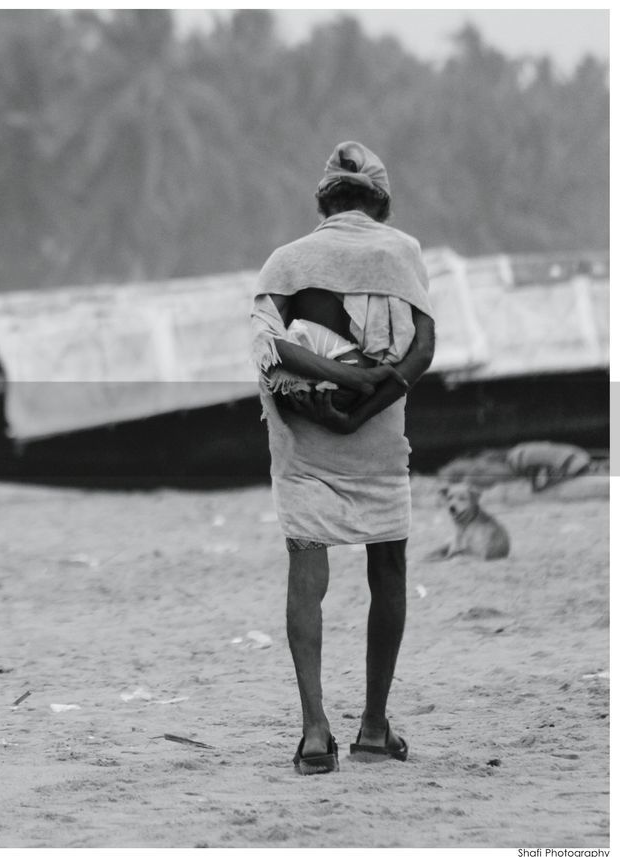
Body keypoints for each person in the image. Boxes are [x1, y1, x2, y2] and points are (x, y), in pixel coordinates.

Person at [249, 141, 436, 775]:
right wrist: (361, 398)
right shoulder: (402, 252)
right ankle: (375, 728)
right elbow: (423, 350)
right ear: (380, 203)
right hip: (380, 437)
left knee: (307, 570)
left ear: (324, 200)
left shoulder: (288, 261)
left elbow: (267, 347)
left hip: (305, 441)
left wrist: (336, 388)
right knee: (388, 569)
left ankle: (313, 733)